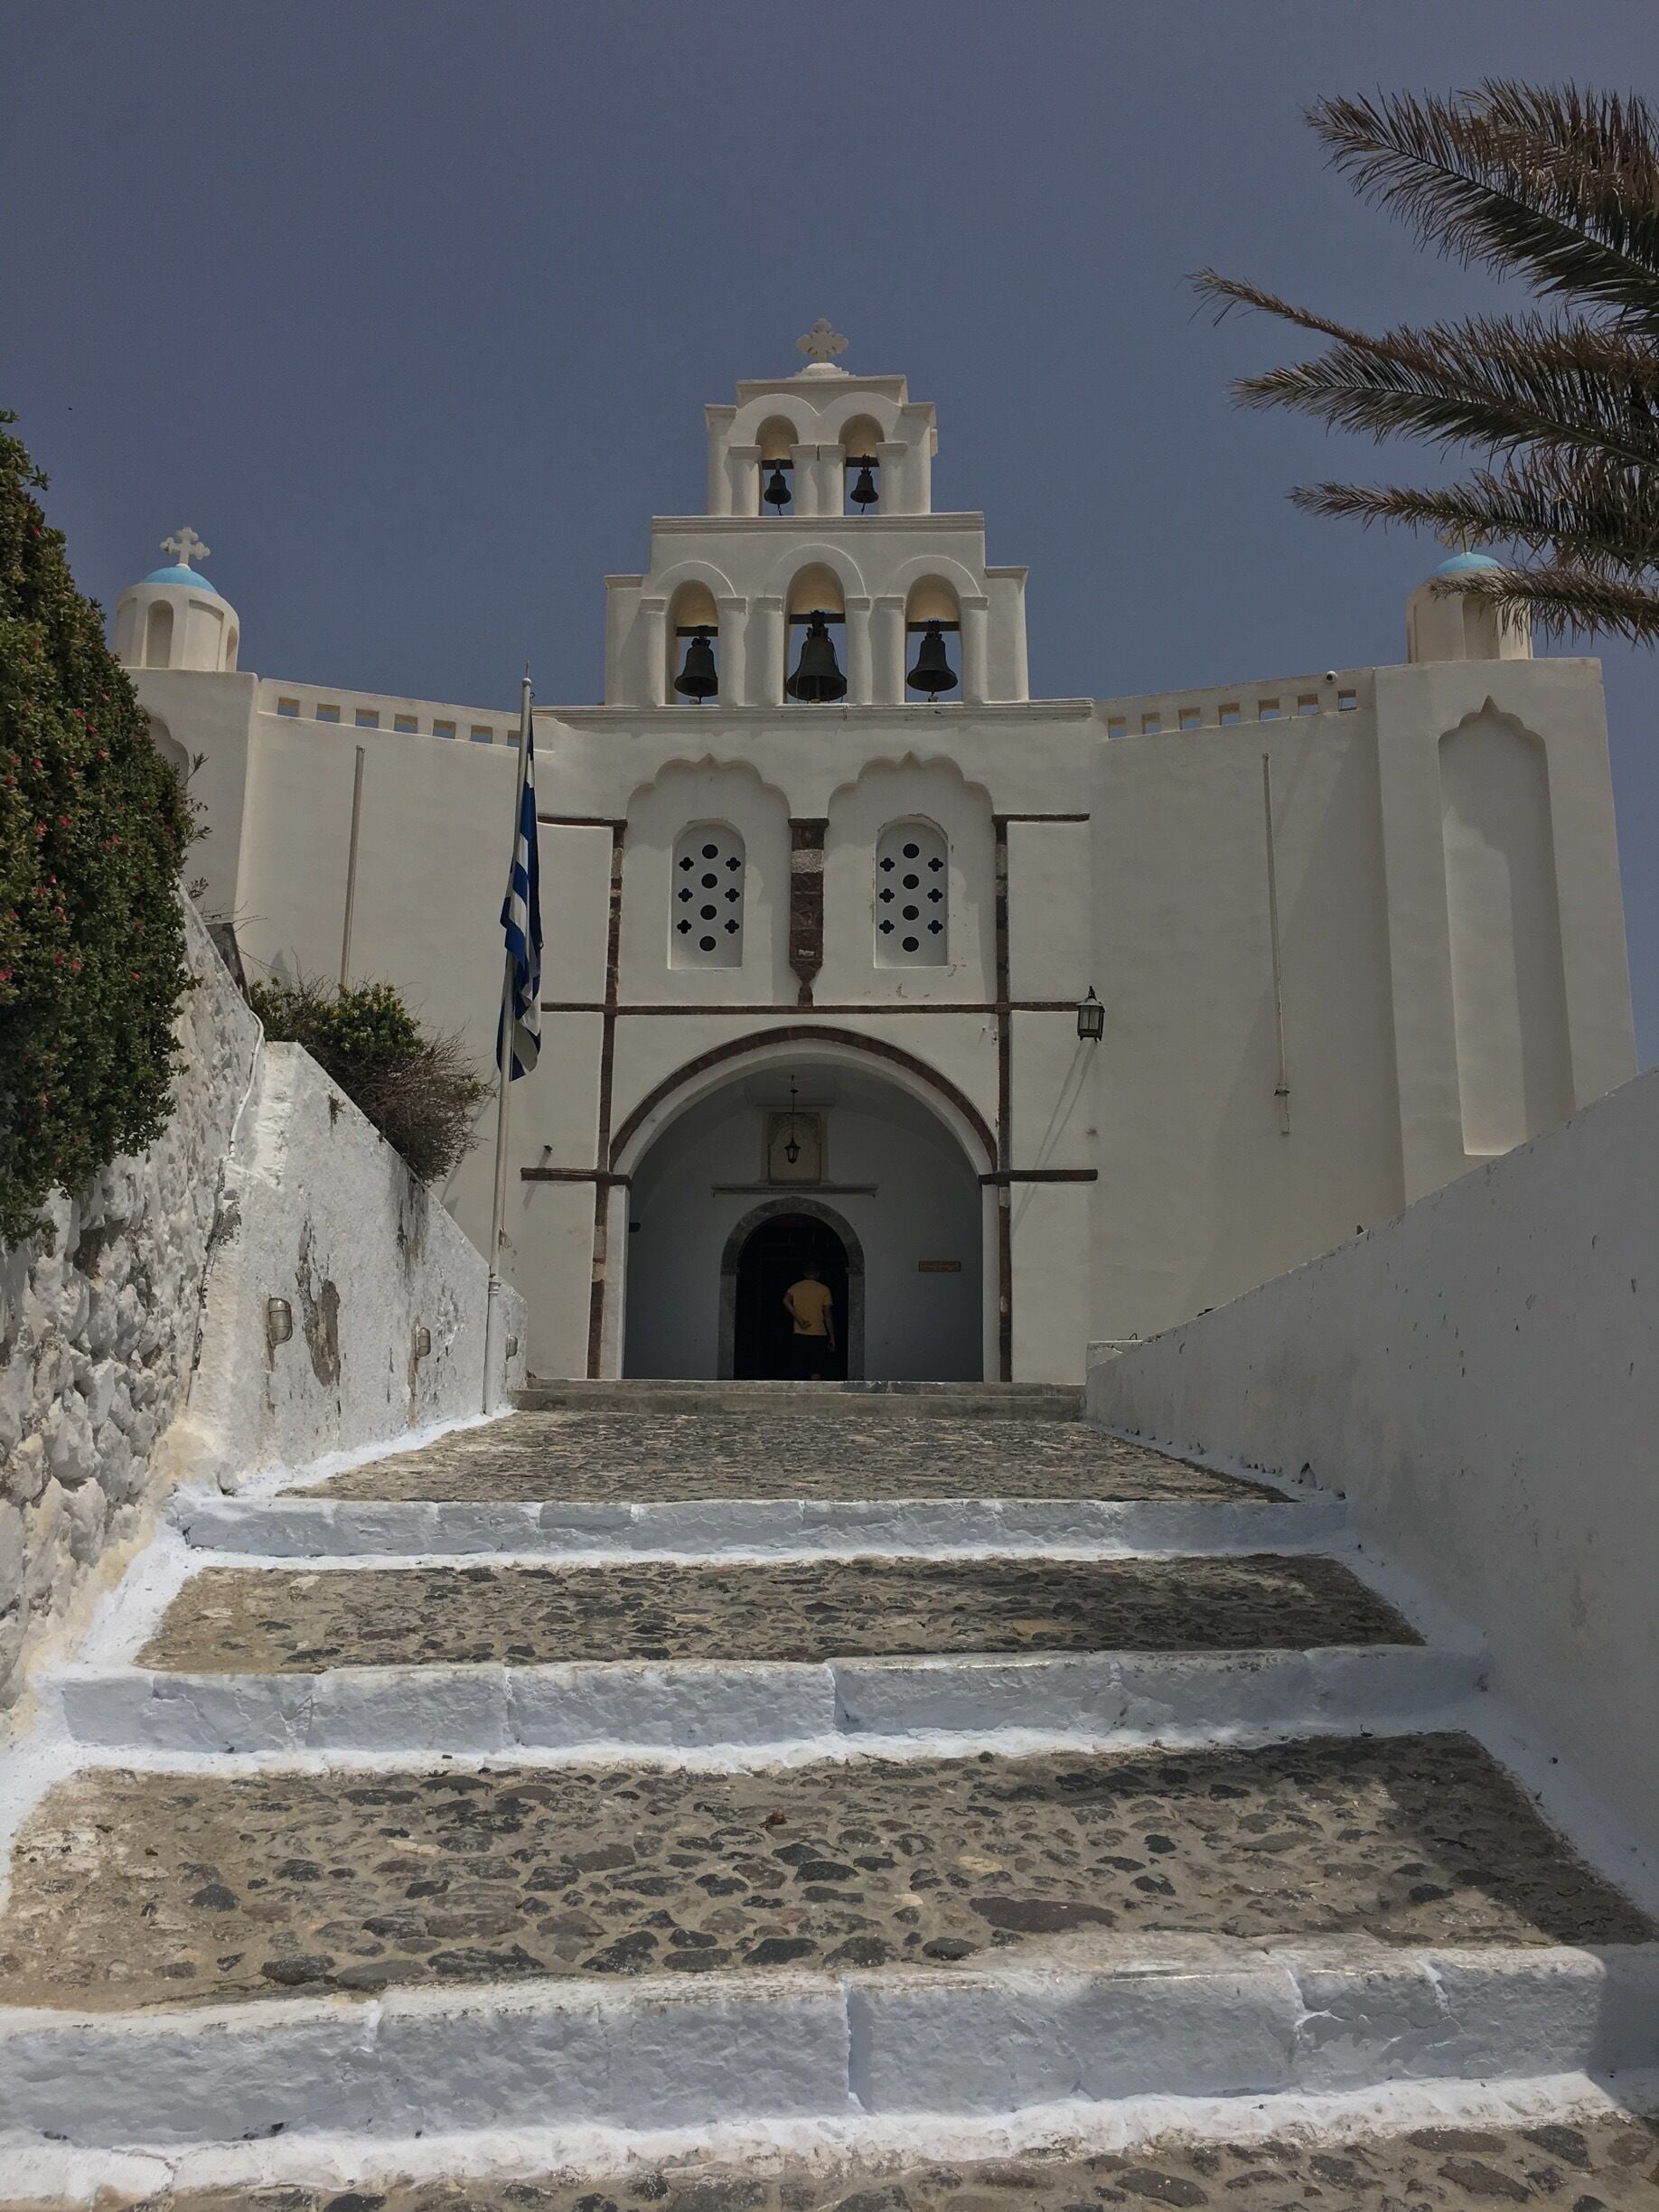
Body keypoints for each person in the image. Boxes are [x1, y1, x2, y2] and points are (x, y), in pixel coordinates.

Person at [782, 1261, 835, 1380]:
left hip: (800, 1332)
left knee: (799, 1365)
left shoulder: (795, 1287)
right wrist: (832, 1337)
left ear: (804, 1274)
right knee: (817, 1366)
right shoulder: (824, 1290)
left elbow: (785, 1300)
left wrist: (799, 1319)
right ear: (818, 1274)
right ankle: (814, 1392)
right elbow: (827, 1314)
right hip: (819, 1332)